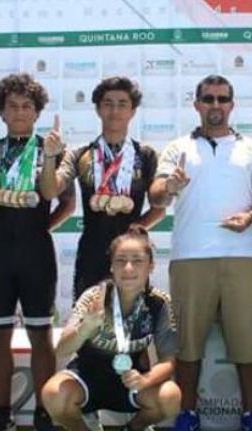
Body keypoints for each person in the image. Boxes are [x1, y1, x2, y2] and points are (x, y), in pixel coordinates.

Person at [150, 74, 252, 431]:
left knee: (248, 341)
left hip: (242, 256)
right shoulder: (177, 148)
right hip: (190, 257)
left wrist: (251, 217)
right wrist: (170, 186)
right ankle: (187, 413)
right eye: (208, 99)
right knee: (187, 342)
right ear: (196, 104)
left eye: (222, 99)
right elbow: (156, 196)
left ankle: (251, 414)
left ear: (232, 105)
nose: (215, 106)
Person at [0, 73, 72, 431]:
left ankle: (44, 413)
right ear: (2, 111)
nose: (20, 112)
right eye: (13, 106)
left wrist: (42, 228)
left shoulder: (52, 148)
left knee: (41, 336)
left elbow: (58, 197)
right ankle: (2, 414)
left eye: (27, 106)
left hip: (36, 255)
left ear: (38, 111)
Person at [41, 226, 181, 431]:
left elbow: (169, 361)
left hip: (130, 384)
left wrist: (145, 379)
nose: (129, 269)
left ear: (150, 266)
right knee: (53, 394)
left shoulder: (159, 303)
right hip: (87, 380)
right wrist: (86, 329)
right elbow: (61, 350)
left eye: (137, 261)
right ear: (111, 267)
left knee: (170, 396)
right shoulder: (93, 297)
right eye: (121, 261)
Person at [62, 76, 165, 300]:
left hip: (132, 253)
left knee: (134, 320)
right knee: (88, 321)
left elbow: (159, 209)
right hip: (91, 250)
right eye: (108, 103)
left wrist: (135, 228)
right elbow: (58, 193)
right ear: (98, 109)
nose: (115, 110)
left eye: (122, 104)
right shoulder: (81, 154)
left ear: (133, 111)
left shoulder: (146, 155)